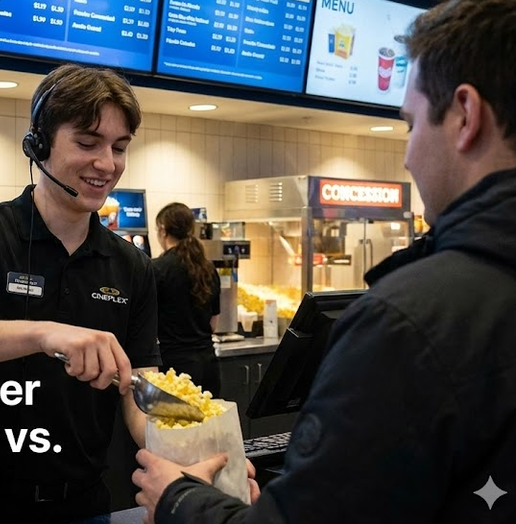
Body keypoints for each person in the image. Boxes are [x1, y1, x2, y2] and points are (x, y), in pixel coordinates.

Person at [132, 1, 516, 522]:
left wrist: (179, 499)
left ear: (465, 115)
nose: (407, 155)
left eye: (410, 123)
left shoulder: (408, 321)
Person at [0, 63, 161, 524]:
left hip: (83, 504)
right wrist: (43, 334)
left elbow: (140, 389)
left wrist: (193, 448)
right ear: (38, 144)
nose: (107, 163)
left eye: (119, 148)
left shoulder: (131, 264)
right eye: (87, 143)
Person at [152, 202, 221, 394]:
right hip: (208, 365)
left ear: (163, 230)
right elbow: (213, 324)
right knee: (209, 422)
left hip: (175, 372)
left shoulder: (157, 268)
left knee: (178, 424)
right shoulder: (207, 268)